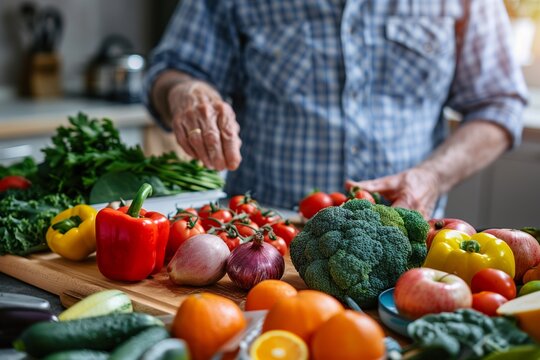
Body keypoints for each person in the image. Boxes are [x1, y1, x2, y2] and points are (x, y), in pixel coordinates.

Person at [143, 0, 527, 219]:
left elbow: (498, 102)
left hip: (406, 235)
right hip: (258, 236)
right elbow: (172, 70)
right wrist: (185, 90)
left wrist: (433, 176)